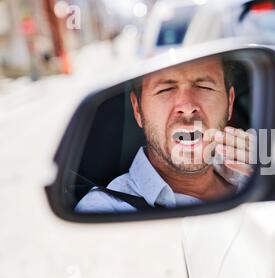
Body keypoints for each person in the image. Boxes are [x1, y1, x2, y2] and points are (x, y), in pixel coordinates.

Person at [75, 56, 254, 212]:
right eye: (165, 89)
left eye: (204, 86)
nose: (187, 107)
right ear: (138, 110)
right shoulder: (104, 209)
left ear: (230, 104)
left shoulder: (256, 168)